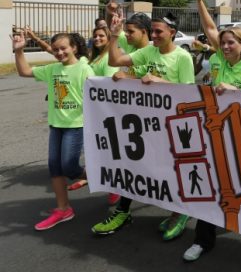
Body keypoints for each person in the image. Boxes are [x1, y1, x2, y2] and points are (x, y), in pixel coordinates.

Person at [91, 12, 194, 239]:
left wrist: (161, 82)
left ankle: (181, 212)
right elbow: (115, 62)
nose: (154, 36)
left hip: (172, 126)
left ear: (172, 33)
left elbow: (189, 94)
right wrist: (114, 36)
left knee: (173, 172)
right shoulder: (149, 51)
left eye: (159, 31)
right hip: (148, 124)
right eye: (152, 31)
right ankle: (123, 211)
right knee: (137, 166)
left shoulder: (182, 57)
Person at [183, 0, 241, 262]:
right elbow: (209, 28)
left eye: (232, 43)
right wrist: (200, 1)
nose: (227, 46)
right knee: (211, 187)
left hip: (240, 137)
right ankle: (202, 240)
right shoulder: (218, 58)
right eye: (224, 42)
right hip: (215, 134)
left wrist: (235, 92)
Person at [11, 31, 94, 230]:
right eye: (55, 49)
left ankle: (100, 178)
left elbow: (96, 99)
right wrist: (19, 51)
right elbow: (24, 71)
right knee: (55, 167)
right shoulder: (52, 69)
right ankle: (63, 209)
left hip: (76, 125)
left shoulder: (85, 69)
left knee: (69, 167)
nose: (59, 52)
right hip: (56, 125)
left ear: (74, 47)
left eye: (63, 48)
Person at [88, 26, 121, 205]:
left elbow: (108, 84)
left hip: (105, 112)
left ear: (109, 39)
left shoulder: (108, 58)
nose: (97, 38)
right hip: (95, 111)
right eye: (95, 36)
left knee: (110, 151)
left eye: (101, 35)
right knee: (101, 150)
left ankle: (115, 188)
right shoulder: (95, 57)